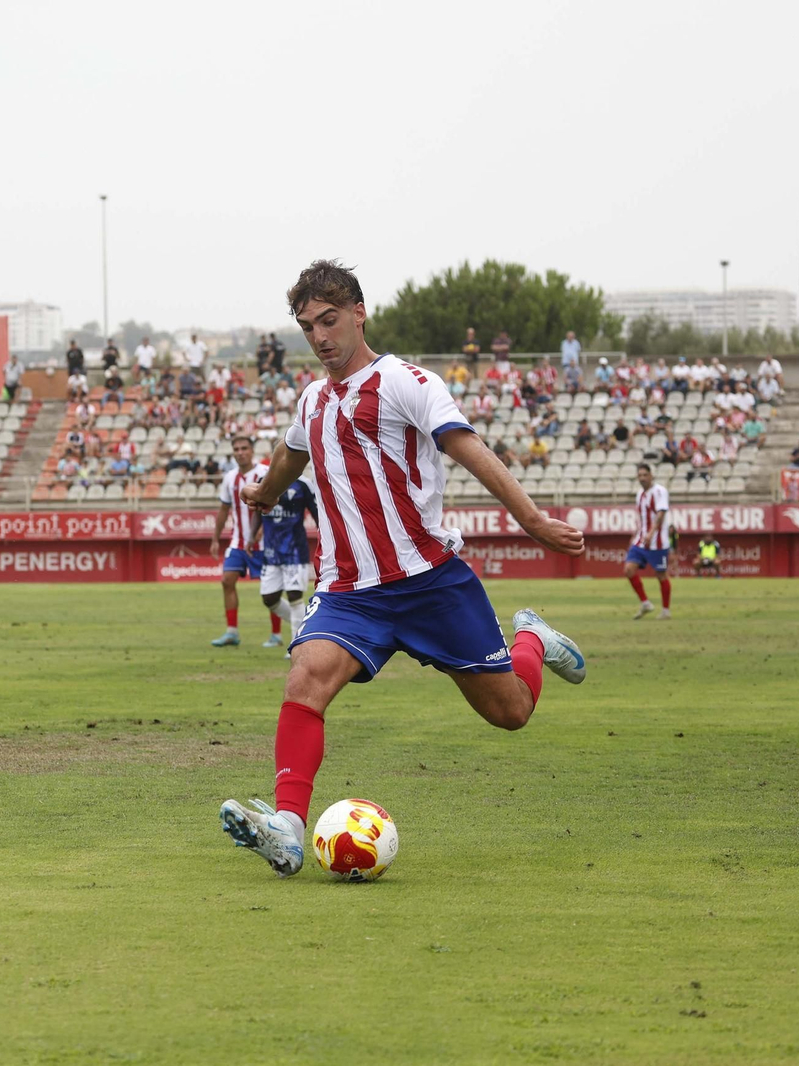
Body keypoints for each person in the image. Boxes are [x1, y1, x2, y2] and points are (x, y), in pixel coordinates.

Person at [218, 260, 586, 878]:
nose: (320, 337)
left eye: (329, 321)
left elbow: (470, 450)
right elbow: (289, 454)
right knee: (305, 679)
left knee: (511, 713)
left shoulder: (406, 382)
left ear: (359, 313)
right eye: (308, 327)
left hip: (430, 581)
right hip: (349, 591)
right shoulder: (312, 400)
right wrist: (264, 493)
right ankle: (286, 828)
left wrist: (532, 520)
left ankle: (531, 639)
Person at [208, 436, 269, 647]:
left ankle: (276, 635)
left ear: (252, 451)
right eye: (236, 449)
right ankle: (232, 632)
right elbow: (224, 509)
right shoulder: (229, 478)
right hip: (237, 541)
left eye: (244, 448)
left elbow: (276, 504)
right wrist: (215, 539)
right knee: (227, 580)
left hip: (264, 543)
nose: (240, 452)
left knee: (271, 590)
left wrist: (262, 528)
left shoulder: (265, 473)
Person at [251, 472, 318, 658]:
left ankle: (297, 644)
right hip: (271, 550)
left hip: (295, 549)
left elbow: (317, 513)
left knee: (294, 595)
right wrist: (251, 536)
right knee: (269, 598)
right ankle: (309, 626)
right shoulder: (263, 481)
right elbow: (257, 512)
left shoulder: (303, 484)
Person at [624, 463, 672, 620]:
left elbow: (661, 513)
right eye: (640, 475)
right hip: (641, 540)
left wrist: (651, 533)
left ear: (651, 476)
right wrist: (635, 535)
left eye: (645, 475)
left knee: (661, 575)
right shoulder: (640, 494)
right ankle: (645, 603)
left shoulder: (659, 491)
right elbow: (641, 518)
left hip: (657, 542)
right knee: (629, 569)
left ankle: (666, 610)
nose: (642, 478)